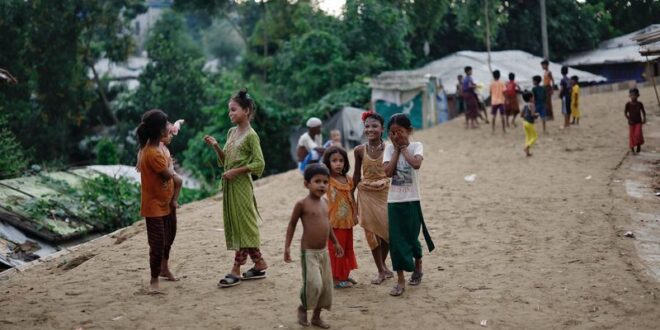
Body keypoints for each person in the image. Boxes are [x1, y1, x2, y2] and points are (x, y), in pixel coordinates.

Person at [204, 88, 267, 288]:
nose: (230, 114)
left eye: (233, 110)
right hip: (230, 186)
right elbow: (224, 162)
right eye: (229, 110)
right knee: (240, 225)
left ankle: (236, 270)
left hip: (241, 186)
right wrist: (216, 146)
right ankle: (259, 263)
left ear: (246, 111)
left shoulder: (251, 135)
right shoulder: (231, 132)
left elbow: (259, 164)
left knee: (244, 226)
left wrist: (236, 172)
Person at [284, 164, 344, 329]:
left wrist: (336, 242)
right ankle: (303, 307)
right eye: (317, 181)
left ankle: (316, 317)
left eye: (325, 182)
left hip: (323, 252)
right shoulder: (302, 204)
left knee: (325, 287)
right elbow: (292, 225)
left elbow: (328, 225)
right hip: (308, 253)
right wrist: (287, 247)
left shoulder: (325, 203)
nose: (322, 185)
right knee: (314, 284)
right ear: (306, 184)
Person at [383, 113, 435, 297]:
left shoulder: (416, 146)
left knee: (413, 237)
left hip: (413, 200)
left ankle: (418, 267)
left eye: (400, 131)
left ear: (409, 131)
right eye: (392, 133)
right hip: (394, 202)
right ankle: (400, 280)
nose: (396, 136)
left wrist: (404, 148)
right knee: (396, 241)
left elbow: (416, 164)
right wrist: (396, 150)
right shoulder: (389, 149)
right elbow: (388, 172)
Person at [136, 109, 177, 292]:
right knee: (157, 243)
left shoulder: (159, 148)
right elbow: (169, 175)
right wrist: (171, 165)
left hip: (166, 202)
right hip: (154, 206)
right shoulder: (152, 153)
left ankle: (163, 269)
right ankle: (154, 281)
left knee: (169, 236)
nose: (169, 127)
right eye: (166, 125)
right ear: (160, 131)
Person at [352, 111, 393, 285]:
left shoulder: (390, 148)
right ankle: (380, 270)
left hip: (385, 193)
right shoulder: (359, 150)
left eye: (374, 126)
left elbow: (394, 172)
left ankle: (383, 266)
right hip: (365, 194)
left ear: (382, 129)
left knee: (387, 232)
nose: (370, 129)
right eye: (367, 126)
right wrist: (350, 195)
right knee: (371, 233)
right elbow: (355, 175)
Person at [322, 146, 358, 289]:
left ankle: (344, 275)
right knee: (336, 249)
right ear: (327, 163)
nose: (338, 163)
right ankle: (336, 279)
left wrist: (355, 214)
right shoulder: (327, 180)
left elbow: (351, 198)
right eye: (334, 161)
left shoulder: (348, 179)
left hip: (347, 221)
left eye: (341, 160)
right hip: (334, 222)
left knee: (347, 247)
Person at [625, 88, 646, 154]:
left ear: (638, 95)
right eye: (631, 95)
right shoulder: (628, 104)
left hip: (638, 122)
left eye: (634, 95)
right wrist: (628, 119)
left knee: (638, 134)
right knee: (632, 135)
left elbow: (643, 112)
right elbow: (625, 113)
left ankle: (638, 145)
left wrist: (644, 118)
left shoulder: (640, 104)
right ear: (629, 96)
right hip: (631, 122)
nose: (633, 96)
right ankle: (632, 148)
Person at [521, 91, 538, 157]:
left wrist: (526, 115)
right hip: (529, 123)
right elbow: (533, 115)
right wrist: (537, 115)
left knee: (528, 137)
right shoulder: (532, 105)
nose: (534, 98)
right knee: (534, 136)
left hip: (524, 122)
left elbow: (521, 114)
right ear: (530, 98)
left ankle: (527, 152)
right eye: (533, 97)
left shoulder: (524, 105)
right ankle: (526, 147)